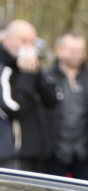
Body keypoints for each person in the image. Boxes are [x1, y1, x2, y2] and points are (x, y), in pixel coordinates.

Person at [45, 31, 88, 180]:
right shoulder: (46, 77)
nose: (77, 54)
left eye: (81, 50)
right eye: (72, 50)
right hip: (54, 153)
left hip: (85, 152)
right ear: (58, 50)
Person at [0, 20, 60, 172]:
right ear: (7, 40)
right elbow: (14, 108)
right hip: (12, 156)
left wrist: (36, 73)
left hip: (38, 153)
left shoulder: (29, 67)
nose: (29, 46)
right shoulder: (3, 69)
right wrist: (26, 75)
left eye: (33, 42)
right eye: (24, 41)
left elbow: (54, 99)